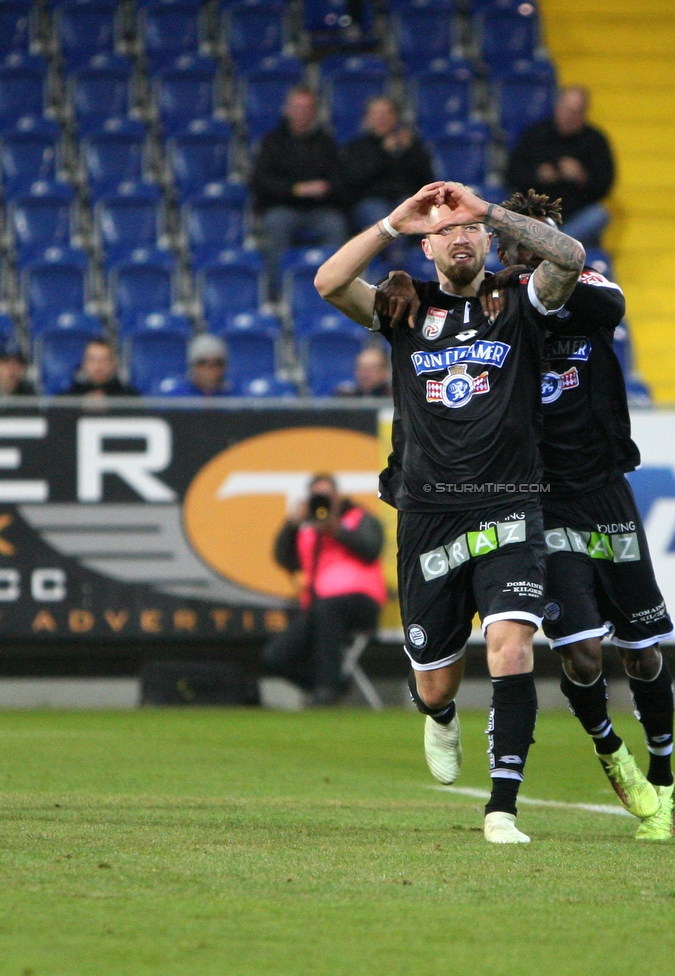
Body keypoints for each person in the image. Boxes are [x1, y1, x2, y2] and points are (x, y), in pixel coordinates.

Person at [378, 190, 674, 840]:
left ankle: (645, 777)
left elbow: (601, 297)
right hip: (521, 491)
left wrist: (508, 263)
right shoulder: (485, 301)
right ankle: (602, 745)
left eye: (533, 237)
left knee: (638, 650)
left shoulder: (550, 290)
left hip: (590, 487)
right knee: (583, 656)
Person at [314, 180, 585, 843]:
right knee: (436, 685)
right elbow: (327, 282)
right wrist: (392, 221)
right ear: (428, 246)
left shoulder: (517, 303)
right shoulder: (406, 308)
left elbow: (571, 258)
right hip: (429, 513)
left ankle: (502, 806)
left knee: (512, 645)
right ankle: (438, 718)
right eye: (445, 230)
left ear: (488, 240)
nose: (459, 236)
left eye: (469, 229)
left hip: (510, 504)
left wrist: (485, 208)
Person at [263, 474, 386, 705]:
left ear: (338, 497)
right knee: (275, 656)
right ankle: (329, 686)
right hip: (319, 607)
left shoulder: (359, 517)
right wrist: (292, 524)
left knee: (329, 610)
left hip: (360, 603)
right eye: (316, 498)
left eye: (326, 497)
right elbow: (285, 559)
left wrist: (336, 530)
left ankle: (327, 688)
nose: (322, 503)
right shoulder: (308, 530)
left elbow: (372, 549)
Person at [250, 85, 348, 293]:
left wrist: (326, 188)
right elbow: (261, 182)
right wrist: (295, 190)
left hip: (320, 208)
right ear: (287, 109)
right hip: (283, 207)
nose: (302, 113)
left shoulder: (327, 143)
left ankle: (336, 290)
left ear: (315, 111)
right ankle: (278, 293)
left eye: (307, 108)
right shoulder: (272, 142)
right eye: (297, 107)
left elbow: (340, 180)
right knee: (276, 223)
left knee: (336, 225)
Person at [505, 86, 615, 249]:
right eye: (565, 109)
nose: (568, 116)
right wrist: (538, 176)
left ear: (584, 113)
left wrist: (581, 176)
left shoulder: (595, 141)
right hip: (536, 216)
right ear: (557, 106)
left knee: (600, 214)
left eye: (575, 112)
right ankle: (557, 248)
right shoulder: (535, 134)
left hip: (575, 219)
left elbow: (604, 187)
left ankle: (550, 248)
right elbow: (511, 175)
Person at [341, 97, 435, 236]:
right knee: (388, 221)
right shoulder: (356, 147)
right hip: (370, 202)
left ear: (396, 117)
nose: (382, 119)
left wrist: (409, 151)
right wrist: (384, 154)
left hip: (405, 199)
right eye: (376, 114)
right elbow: (355, 180)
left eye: (387, 114)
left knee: (412, 213)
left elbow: (426, 179)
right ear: (367, 119)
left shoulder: (410, 145)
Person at [159, 334, 236, 397]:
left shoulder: (233, 398)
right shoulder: (177, 398)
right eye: (203, 363)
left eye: (217, 363)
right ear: (192, 366)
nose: (210, 369)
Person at [66, 338, 140, 397]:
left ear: (114, 365)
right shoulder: (67, 400)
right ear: (84, 364)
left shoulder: (129, 399)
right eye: (92, 360)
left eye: (104, 360)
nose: (98, 366)